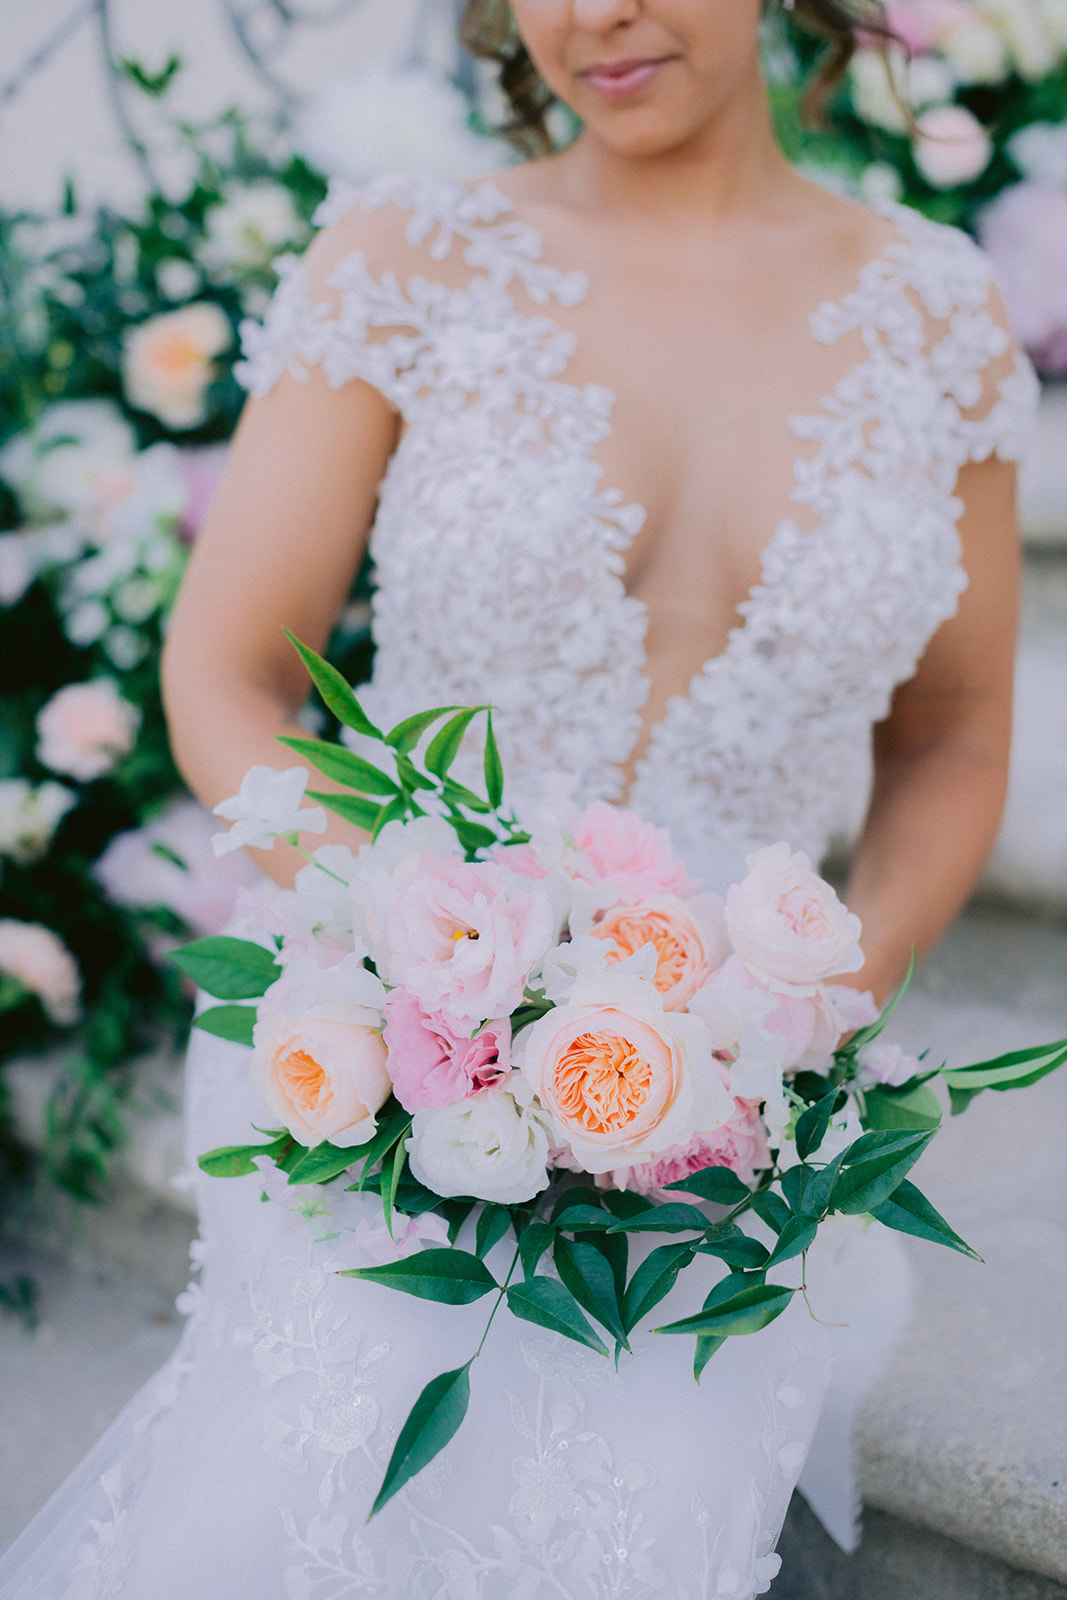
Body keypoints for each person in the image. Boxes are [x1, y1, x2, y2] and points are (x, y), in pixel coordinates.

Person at [0, 1, 1037, 1595]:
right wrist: (421, 931)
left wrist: (819, 999)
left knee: (647, 1444)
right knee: (373, 1390)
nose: (586, 16)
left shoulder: (938, 314)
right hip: (387, 1017)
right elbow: (226, 676)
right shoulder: (410, 258)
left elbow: (959, 736)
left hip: (730, 1078)